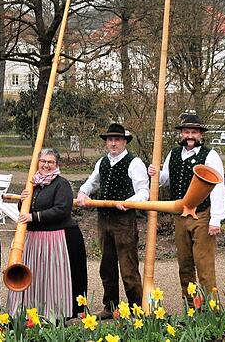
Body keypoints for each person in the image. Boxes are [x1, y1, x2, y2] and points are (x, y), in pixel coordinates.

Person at [147, 114, 225, 297]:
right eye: (187, 132)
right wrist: (155, 173)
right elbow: (165, 179)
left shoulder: (210, 156)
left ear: (201, 135)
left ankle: (211, 310)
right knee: (184, 263)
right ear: (181, 134)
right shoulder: (173, 153)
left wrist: (216, 219)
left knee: (203, 263)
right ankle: (190, 307)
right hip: (180, 215)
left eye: (194, 132)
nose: (190, 136)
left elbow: (218, 186)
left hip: (202, 215)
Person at [76, 123, 149, 317]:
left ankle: (136, 310)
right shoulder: (102, 162)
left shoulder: (135, 163)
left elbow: (143, 192)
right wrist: (83, 192)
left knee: (128, 268)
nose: (113, 143)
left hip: (124, 221)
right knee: (106, 267)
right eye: (110, 139)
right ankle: (110, 307)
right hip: (104, 220)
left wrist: (127, 202)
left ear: (125, 142)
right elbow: (91, 182)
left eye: (117, 139)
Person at [6, 148, 88, 321]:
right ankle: (34, 311)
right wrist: (23, 201)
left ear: (56, 164)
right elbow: (24, 210)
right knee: (37, 278)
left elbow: (62, 210)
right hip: (34, 238)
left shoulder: (62, 184)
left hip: (56, 238)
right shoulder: (33, 183)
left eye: (50, 162)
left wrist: (33, 216)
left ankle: (55, 314)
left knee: (54, 278)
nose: (46, 165)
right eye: (43, 161)